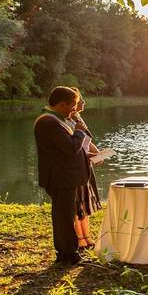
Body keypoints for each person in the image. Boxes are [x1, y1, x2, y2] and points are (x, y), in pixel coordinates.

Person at [33, 86, 91, 265]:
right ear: (61, 103)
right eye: (72, 105)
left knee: (65, 214)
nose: (74, 109)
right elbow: (70, 147)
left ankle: (66, 252)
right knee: (64, 216)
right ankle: (68, 253)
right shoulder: (47, 122)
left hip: (65, 176)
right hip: (60, 178)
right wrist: (80, 131)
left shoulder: (59, 119)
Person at [68, 91, 101, 250]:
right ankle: (79, 237)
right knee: (77, 202)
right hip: (76, 165)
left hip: (86, 164)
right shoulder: (68, 120)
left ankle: (87, 235)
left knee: (86, 202)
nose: (84, 102)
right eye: (80, 100)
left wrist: (98, 154)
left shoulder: (79, 119)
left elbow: (87, 140)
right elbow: (74, 145)